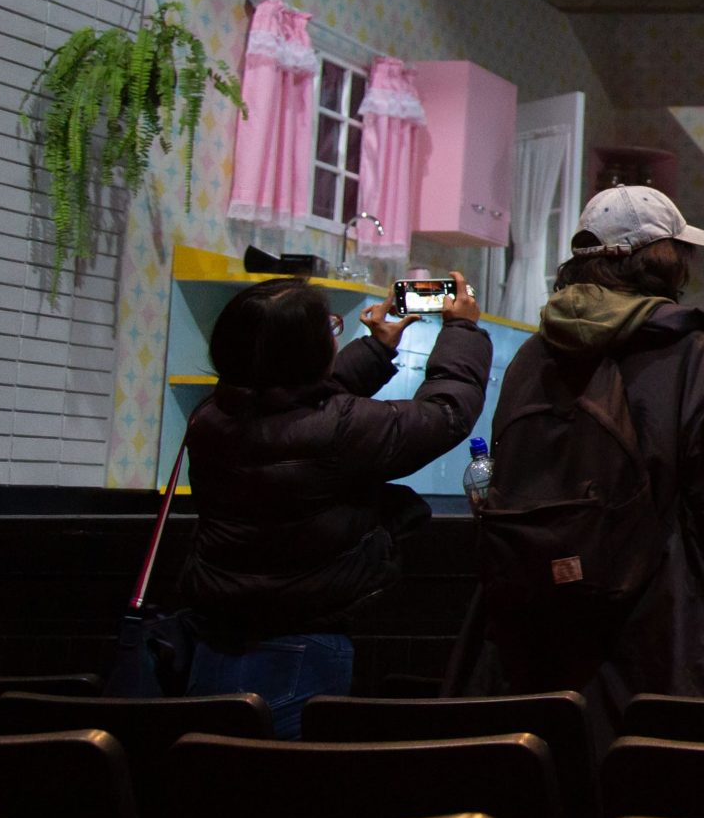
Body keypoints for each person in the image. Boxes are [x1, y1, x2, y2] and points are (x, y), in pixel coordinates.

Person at [474, 185, 704, 724]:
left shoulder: (532, 354)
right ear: (665, 259)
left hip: (535, 636)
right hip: (662, 628)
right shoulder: (692, 352)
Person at [179, 271, 489, 737]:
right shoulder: (336, 430)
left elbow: (294, 399)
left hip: (214, 639)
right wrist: (461, 330)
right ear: (306, 354)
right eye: (328, 328)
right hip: (301, 646)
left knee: (216, 764)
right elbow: (445, 414)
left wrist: (376, 349)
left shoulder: (210, 417)